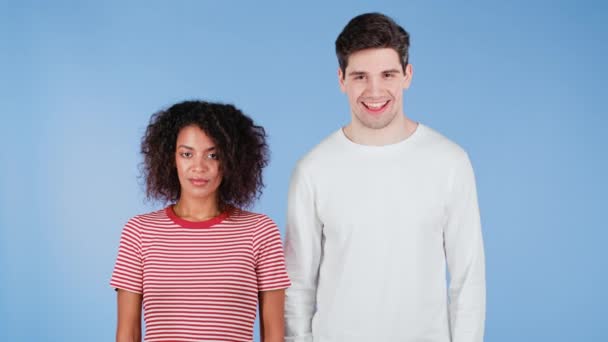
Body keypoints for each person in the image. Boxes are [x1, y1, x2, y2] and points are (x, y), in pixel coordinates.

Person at [284, 12, 486, 342]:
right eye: (360, 76)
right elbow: (297, 287)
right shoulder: (313, 169)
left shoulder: (450, 162)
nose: (375, 90)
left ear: (408, 75)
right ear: (341, 80)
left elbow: (468, 281)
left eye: (388, 74)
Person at [110, 100, 291, 342]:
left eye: (213, 155)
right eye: (187, 154)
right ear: (170, 158)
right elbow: (127, 333)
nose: (198, 167)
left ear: (231, 161)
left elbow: (274, 334)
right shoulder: (139, 232)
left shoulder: (260, 231)